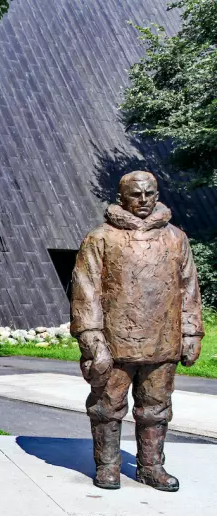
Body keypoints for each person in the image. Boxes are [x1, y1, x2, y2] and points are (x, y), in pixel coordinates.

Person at [71, 171, 203, 492]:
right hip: (114, 343)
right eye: (136, 194)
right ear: (122, 198)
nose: (143, 200)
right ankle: (108, 465)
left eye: (149, 193)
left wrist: (191, 332)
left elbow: (188, 288)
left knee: (156, 408)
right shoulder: (100, 238)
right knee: (107, 405)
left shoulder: (175, 238)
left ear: (157, 194)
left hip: (163, 340)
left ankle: (152, 466)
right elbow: (85, 291)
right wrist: (92, 339)